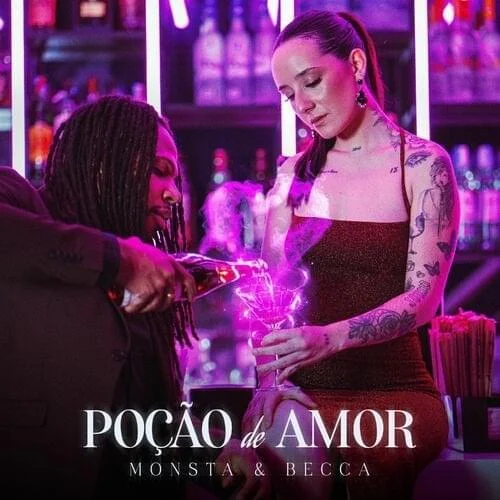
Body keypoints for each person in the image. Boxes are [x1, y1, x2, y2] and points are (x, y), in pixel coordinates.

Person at [0, 96, 268, 499]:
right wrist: (117, 259)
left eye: (176, 179)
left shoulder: (148, 280)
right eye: (160, 172)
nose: (173, 194)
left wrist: (217, 450)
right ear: (104, 161)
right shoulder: (23, 202)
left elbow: (148, 421)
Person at [242, 10, 459, 500]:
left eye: (311, 82)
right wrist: (267, 386)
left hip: (395, 391)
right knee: (290, 449)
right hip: (302, 391)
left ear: (355, 65)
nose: (302, 105)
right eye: (288, 95)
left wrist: (331, 338)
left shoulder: (421, 165)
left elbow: (423, 298)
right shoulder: (293, 175)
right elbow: (268, 299)